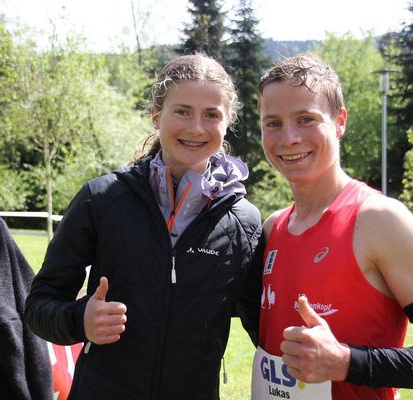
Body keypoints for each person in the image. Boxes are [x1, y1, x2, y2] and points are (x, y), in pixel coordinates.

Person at [25, 53, 263, 400]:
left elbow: (265, 326)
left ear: (227, 123)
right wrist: (81, 319)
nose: (196, 127)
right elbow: (38, 307)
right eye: (182, 111)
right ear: (156, 115)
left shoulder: (244, 222)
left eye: (211, 115)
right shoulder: (102, 199)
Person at [251, 54, 413, 400]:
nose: (288, 138)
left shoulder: (378, 219)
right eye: (272, 123)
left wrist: (347, 363)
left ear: (340, 122)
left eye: (306, 119)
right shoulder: (272, 226)